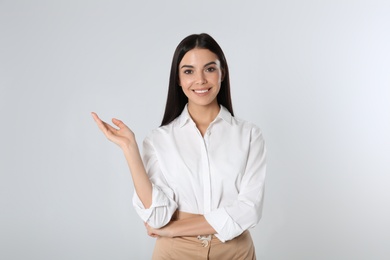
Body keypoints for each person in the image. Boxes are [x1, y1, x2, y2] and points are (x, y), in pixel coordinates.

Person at [92, 33, 266, 259]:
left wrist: (174, 229)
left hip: (234, 252)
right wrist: (129, 149)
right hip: (175, 252)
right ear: (178, 79)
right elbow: (157, 218)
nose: (200, 79)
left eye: (210, 69)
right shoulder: (158, 139)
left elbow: (249, 210)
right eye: (189, 71)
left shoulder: (249, 135)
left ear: (222, 73)